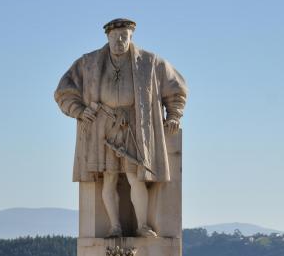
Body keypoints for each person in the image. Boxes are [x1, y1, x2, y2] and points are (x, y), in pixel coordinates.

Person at [54, 18, 187, 238]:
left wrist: (173, 115)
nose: (119, 41)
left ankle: (142, 225)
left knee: (135, 176)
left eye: (124, 36)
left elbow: (176, 89)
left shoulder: (150, 62)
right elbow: (63, 90)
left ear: (131, 37)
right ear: (107, 37)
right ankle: (114, 226)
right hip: (102, 126)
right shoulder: (90, 62)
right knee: (109, 177)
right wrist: (78, 110)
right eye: (115, 37)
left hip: (135, 126)